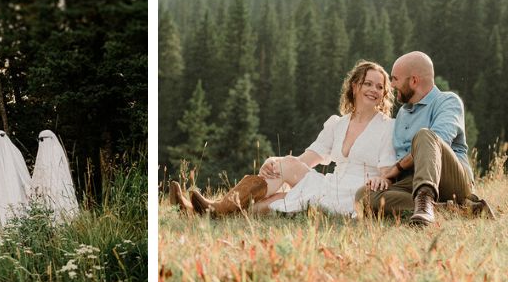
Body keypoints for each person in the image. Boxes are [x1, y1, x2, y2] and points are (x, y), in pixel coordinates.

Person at [171, 61, 396, 219]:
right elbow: (308, 158)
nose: (374, 90)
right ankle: (198, 210)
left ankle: (212, 209)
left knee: (266, 204)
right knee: (267, 196)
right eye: (368, 83)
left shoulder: (387, 127)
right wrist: (276, 162)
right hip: (330, 185)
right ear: (355, 86)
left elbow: (387, 171)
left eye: (379, 87)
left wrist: (382, 180)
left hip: (353, 194)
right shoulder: (337, 124)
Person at [357, 51, 490, 227]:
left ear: (413, 81)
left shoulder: (448, 101)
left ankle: (425, 200)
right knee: (363, 195)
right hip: (411, 180)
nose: (391, 85)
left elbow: (437, 141)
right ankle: (452, 210)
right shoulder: (403, 113)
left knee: (426, 135)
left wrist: (396, 168)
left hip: (449, 180)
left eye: (395, 79)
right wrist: (386, 178)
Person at [27, 131, 78, 221]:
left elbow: (62, 176)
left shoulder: (56, 153)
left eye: (44, 140)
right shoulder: (41, 157)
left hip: (58, 190)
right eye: (40, 140)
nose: (42, 143)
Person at [0, 133, 31, 225]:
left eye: (2, 136)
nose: (0, 139)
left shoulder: (15, 153)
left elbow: (22, 171)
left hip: (15, 188)